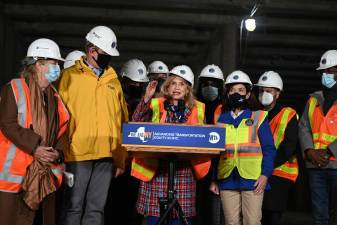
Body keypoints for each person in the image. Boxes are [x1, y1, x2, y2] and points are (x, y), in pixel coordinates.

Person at [58, 25, 129, 225]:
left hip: (106, 154)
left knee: (96, 210)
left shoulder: (113, 81)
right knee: (73, 207)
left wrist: (120, 157)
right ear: (91, 51)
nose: (108, 59)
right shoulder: (69, 76)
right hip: (77, 154)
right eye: (105, 54)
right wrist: (61, 152)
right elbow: (59, 117)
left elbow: (121, 119)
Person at [0, 38, 69, 225]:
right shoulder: (14, 88)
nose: (57, 68)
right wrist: (36, 147)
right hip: (18, 177)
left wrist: (58, 153)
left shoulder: (54, 96)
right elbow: (7, 124)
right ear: (39, 64)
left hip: (45, 177)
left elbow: (61, 131)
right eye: (54, 63)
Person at [131, 65, 210, 225]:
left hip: (184, 171)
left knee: (180, 220)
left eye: (181, 84)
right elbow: (136, 124)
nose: (177, 87)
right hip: (157, 170)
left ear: (188, 89)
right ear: (167, 86)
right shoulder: (155, 104)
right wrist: (146, 98)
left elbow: (205, 139)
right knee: (155, 219)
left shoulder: (198, 109)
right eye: (173, 83)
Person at [209, 70, 276, 225]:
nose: (235, 94)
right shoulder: (220, 119)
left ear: (247, 94)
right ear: (227, 94)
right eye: (232, 90)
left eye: (240, 90)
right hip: (226, 178)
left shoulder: (258, 116)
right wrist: (213, 179)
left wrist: (265, 175)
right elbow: (215, 153)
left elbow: (269, 149)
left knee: (252, 222)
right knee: (231, 222)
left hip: (252, 179)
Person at [254, 71, 299, 225]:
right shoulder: (253, 114)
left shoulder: (288, 114)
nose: (264, 94)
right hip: (255, 172)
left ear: (277, 93)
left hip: (279, 174)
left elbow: (289, 146)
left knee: (272, 215)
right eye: (261, 90)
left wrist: (267, 166)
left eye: (268, 90)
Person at [299, 50, 337, 225]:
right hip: (316, 165)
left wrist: (329, 151)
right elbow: (304, 126)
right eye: (324, 71)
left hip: (335, 163)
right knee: (319, 214)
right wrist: (309, 151)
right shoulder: (313, 99)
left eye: (330, 71)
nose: (326, 75)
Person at [195, 64, 225, 225]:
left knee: (214, 214)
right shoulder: (193, 106)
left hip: (217, 167)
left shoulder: (226, 109)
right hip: (195, 165)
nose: (209, 87)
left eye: (213, 84)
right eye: (206, 84)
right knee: (196, 210)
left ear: (220, 87)